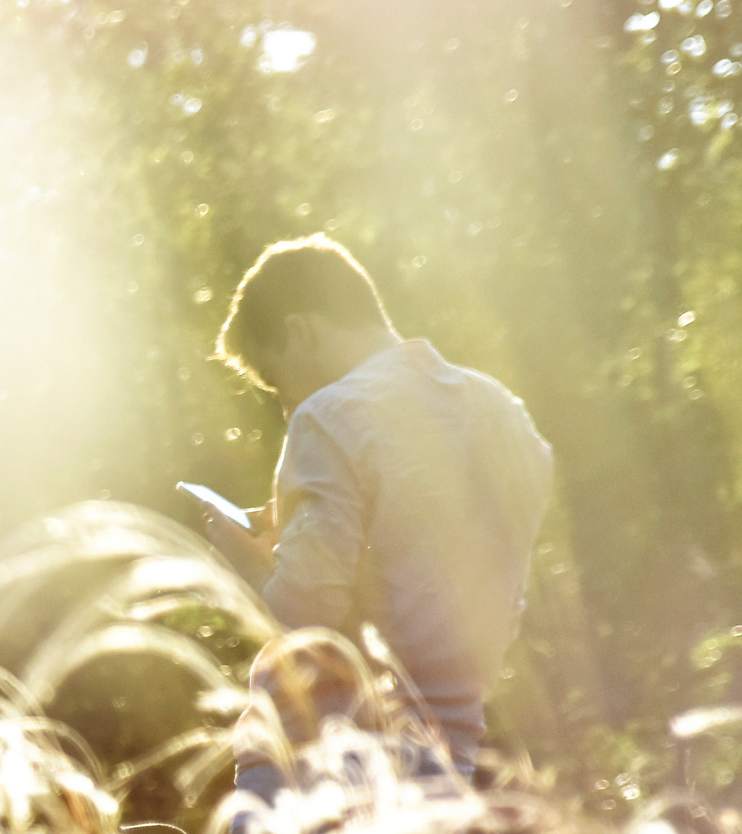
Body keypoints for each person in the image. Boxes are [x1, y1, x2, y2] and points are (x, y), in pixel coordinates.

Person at [192, 235, 553, 805]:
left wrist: (241, 561)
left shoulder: (328, 418)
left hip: (336, 758)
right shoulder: (506, 415)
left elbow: (301, 618)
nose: (286, 407)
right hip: (456, 748)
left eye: (277, 381)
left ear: (303, 332)